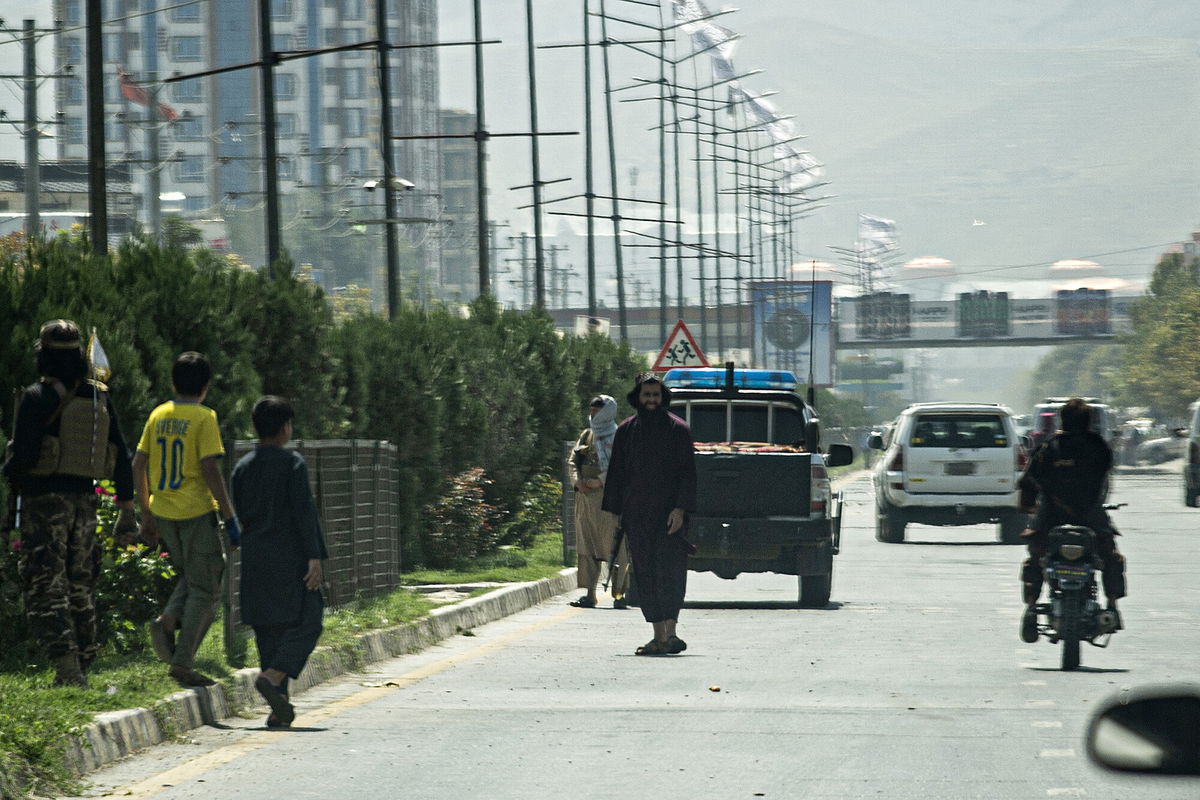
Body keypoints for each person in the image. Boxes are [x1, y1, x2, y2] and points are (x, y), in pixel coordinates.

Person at [2, 320, 138, 686]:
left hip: (45, 504)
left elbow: (24, 460)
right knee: (80, 583)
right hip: (85, 504)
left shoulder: (36, 397)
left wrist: (9, 466)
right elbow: (121, 456)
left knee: (47, 585)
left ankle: (67, 667)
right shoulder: (98, 397)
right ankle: (85, 661)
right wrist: (126, 509)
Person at [133, 352, 240, 687]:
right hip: (195, 512)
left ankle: (168, 619)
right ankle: (182, 662)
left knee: (194, 577)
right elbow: (210, 468)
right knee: (207, 587)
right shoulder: (205, 417)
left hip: (163, 512)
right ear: (206, 387)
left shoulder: (158, 414)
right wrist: (229, 514)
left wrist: (146, 513)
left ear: (173, 383)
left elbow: (138, 464)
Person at [231, 396, 327, 728]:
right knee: (309, 619)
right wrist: (314, 555)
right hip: (290, 556)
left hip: (255, 556)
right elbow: (304, 511)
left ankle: (279, 707)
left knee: (269, 630)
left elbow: (238, 512)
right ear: (285, 428)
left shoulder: (242, 467)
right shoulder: (293, 463)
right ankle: (272, 679)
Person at [602, 372, 696, 656]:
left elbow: (687, 475)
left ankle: (671, 632)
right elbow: (617, 474)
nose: (652, 400)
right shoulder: (627, 431)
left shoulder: (678, 429)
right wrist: (616, 513)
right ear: (638, 398)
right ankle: (658, 635)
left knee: (671, 572)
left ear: (662, 397)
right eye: (647, 395)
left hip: (670, 517)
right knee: (645, 573)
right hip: (637, 516)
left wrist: (680, 509)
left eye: (656, 395)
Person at [1017, 397, 1126, 643]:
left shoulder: (1048, 447)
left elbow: (1027, 482)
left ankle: (1031, 608)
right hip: (1091, 515)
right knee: (1111, 557)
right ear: (1089, 421)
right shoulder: (1099, 446)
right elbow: (1105, 475)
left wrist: (1027, 507)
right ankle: (1112, 607)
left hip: (1049, 517)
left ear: (1061, 420)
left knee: (1035, 559)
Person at [568, 395, 631, 609]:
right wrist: (578, 482)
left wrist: (598, 482)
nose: (593, 414)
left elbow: (622, 468)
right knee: (587, 547)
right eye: (591, 410)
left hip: (609, 500)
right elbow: (573, 461)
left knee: (616, 547)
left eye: (597, 411)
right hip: (585, 501)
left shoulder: (618, 436)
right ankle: (589, 594)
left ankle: (619, 595)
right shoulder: (587, 435)